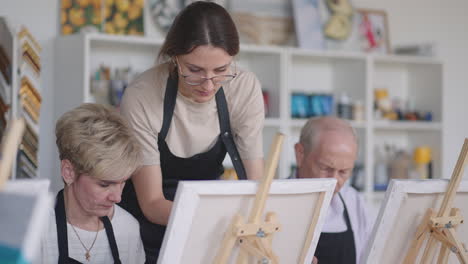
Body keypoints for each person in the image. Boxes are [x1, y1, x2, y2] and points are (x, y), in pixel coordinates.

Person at [118, 1, 265, 263]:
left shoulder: (243, 88)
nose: (208, 85)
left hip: (209, 228)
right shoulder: (142, 96)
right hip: (147, 233)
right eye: (194, 70)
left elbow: (258, 189)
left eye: (221, 70)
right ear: (174, 57)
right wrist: (212, 221)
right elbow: (152, 203)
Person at [39, 103, 145, 263]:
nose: (117, 198)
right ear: (69, 172)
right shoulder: (36, 230)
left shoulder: (128, 229)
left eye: (123, 183)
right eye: (105, 185)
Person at [294, 116, 372, 264]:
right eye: (325, 168)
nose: (334, 180)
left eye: (344, 172)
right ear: (300, 154)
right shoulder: (274, 202)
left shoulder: (354, 202)